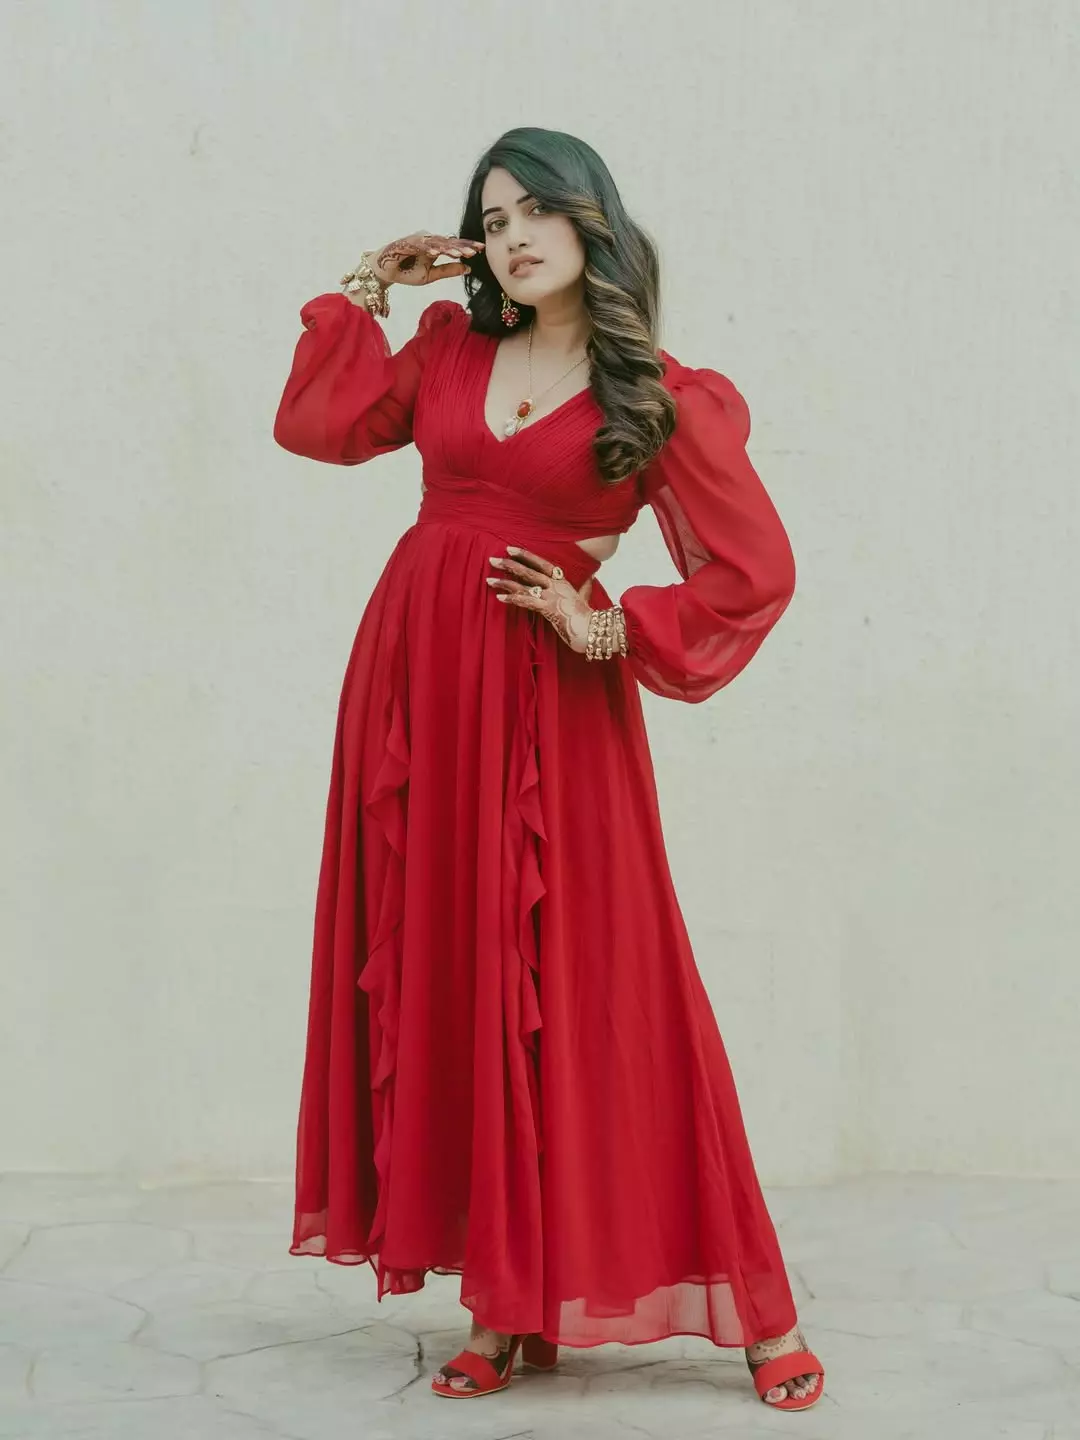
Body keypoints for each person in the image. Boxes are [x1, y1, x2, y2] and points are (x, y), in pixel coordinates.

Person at [273, 125, 824, 1413]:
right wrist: (367, 285)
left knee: (605, 983)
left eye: (537, 209)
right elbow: (318, 426)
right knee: (454, 968)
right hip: (416, 690)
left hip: (552, 706)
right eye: (492, 216)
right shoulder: (447, 348)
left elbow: (755, 570)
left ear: (592, 221)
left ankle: (758, 1309)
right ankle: (503, 1306)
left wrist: (608, 623)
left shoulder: (656, 394)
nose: (513, 235)